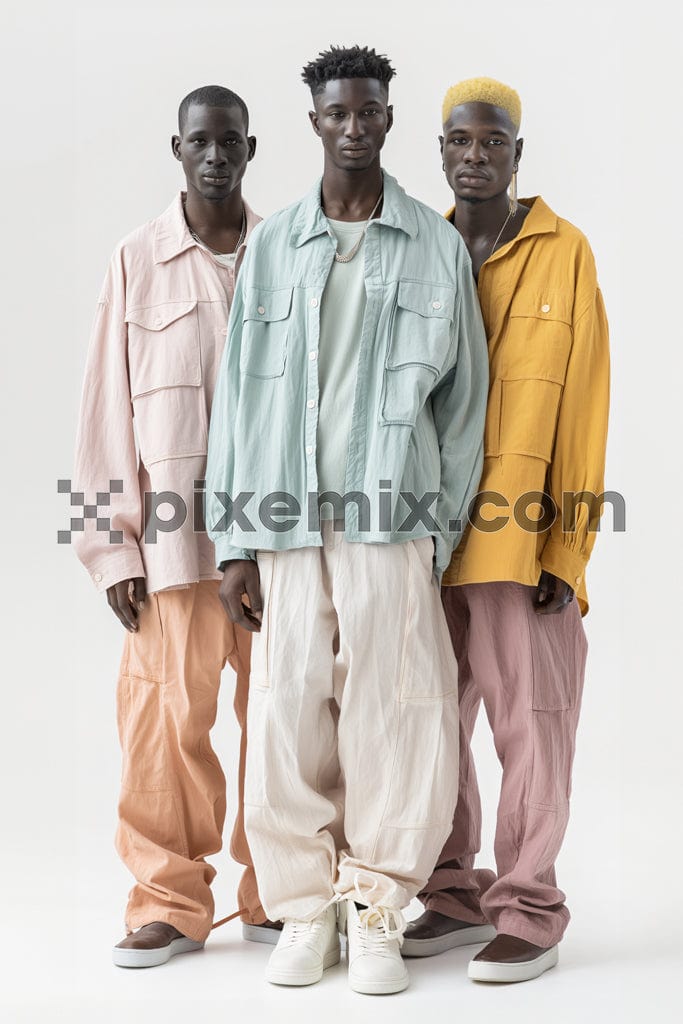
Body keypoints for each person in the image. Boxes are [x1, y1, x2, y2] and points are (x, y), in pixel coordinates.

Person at [205, 46, 489, 995]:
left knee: (396, 714)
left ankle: (375, 907)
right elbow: (239, 402)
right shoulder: (276, 244)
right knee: (288, 710)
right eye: (337, 113)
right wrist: (235, 538)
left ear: (387, 120)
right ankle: (304, 911)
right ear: (316, 121)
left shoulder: (433, 245)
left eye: (369, 112)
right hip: (286, 521)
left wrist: (437, 533)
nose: (354, 126)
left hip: (393, 521)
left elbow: (462, 410)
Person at [402, 77, 610, 983]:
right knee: (424, 726)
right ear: (441, 151)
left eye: (492, 142)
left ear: (516, 154)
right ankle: (449, 891)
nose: (474, 155)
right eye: (459, 141)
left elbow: (587, 406)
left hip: (520, 540)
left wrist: (567, 545)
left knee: (530, 723)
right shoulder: (418, 246)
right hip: (419, 534)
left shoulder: (564, 251)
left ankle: (527, 904)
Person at [72, 85, 280, 968]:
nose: (215, 155)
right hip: (171, 548)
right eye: (200, 140)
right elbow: (100, 413)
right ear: (177, 147)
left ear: (251, 147)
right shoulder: (135, 258)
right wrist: (108, 544)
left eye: (229, 140)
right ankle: (167, 900)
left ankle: (282, 894)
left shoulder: (286, 255)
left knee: (288, 723)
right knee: (163, 726)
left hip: (277, 546)